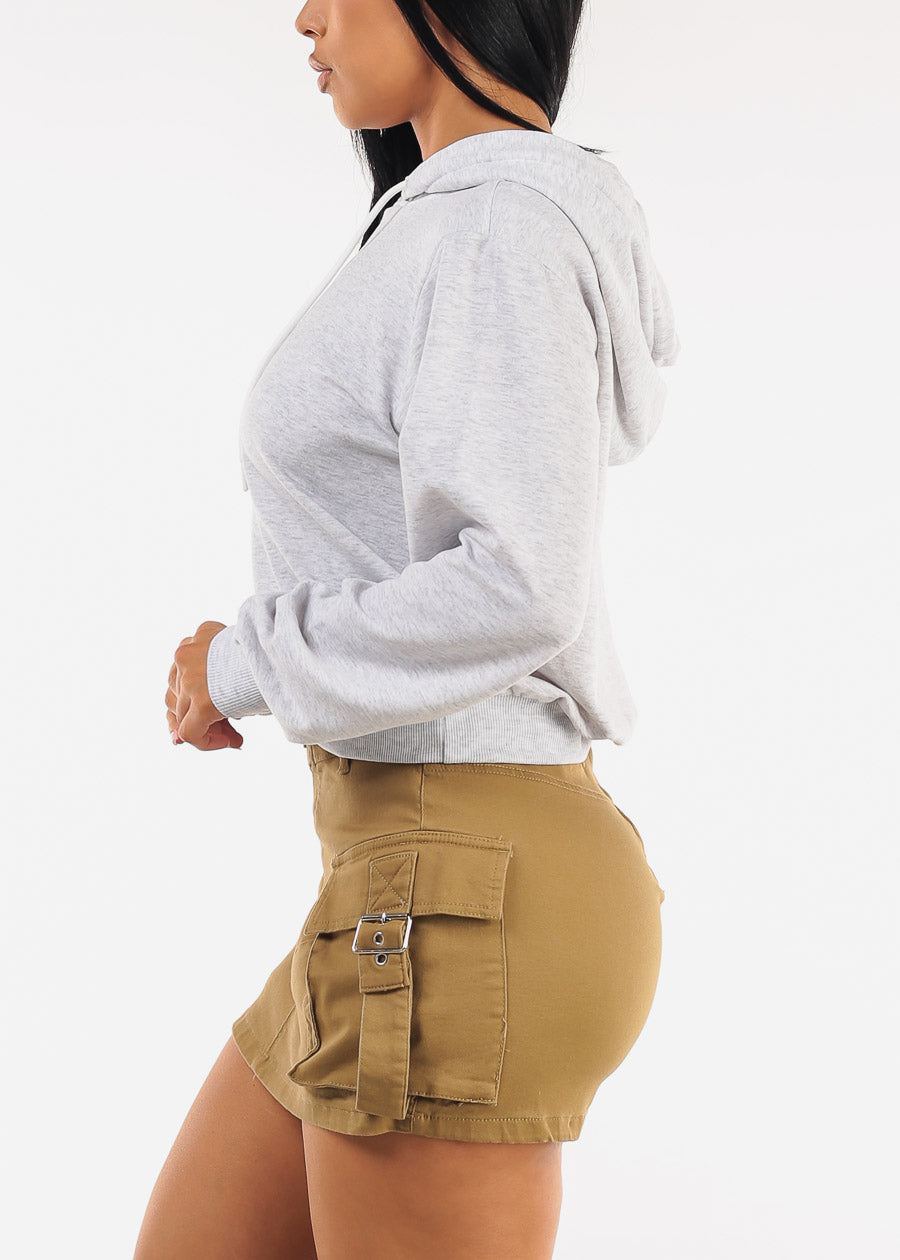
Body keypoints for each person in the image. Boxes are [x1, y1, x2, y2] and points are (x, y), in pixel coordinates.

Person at [143, 1, 680, 1256]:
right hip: (406, 878)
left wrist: (247, 660)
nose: (305, 17)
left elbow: (519, 584)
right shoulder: (448, 218)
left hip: (455, 887)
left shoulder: (498, 226)